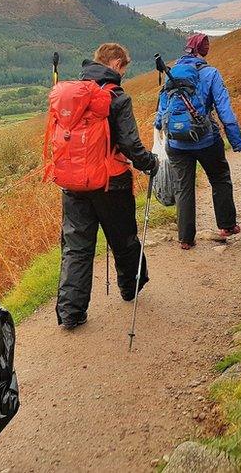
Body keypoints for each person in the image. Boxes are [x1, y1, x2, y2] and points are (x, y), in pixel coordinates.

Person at [56, 43, 158, 329]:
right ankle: (131, 288)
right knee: (123, 238)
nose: (124, 73)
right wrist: (150, 163)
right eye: (124, 67)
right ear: (115, 63)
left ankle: (71, 313)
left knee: (76, 248)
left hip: (73, 181)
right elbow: (129, 144)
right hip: (111, 182)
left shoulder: (72, 95)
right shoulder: (117, 97)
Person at [155, 33, 241, 250]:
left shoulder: (172, 73)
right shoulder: (211, 74)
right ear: (202, 51)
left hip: (176, 142)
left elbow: (161, 112)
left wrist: (161, 129)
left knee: (183, 188)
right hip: (205, 139)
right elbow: (225, 110)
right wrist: (236, 141)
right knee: (220, 178)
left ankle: (186, 239)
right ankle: (227, 225)